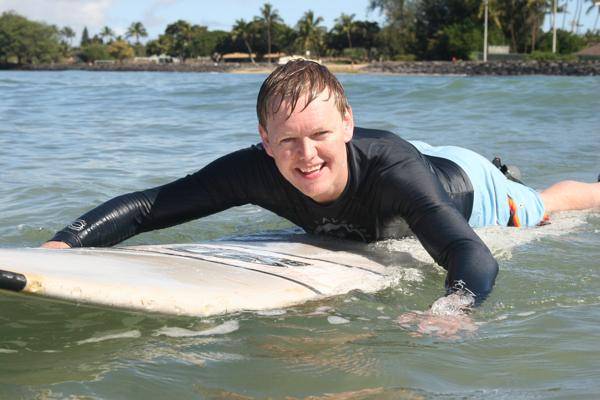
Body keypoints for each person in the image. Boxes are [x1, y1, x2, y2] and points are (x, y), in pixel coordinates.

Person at [43, 60, 600, 323]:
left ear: (348, 123)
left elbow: (468, 253)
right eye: (287, 140)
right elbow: (150, 206)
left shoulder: (391, 171)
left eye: (319, 135)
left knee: (544, 207)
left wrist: (451, 309)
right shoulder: (256, 167)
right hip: (405, 155)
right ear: (263, 139)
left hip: (468, 182)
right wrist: (63, 247)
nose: (305, 155)